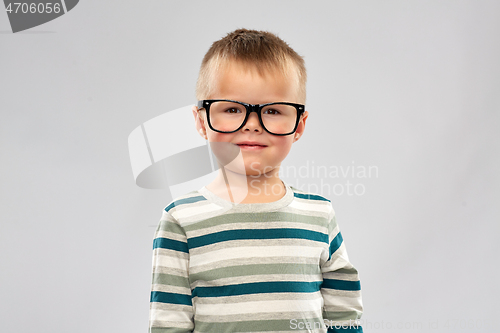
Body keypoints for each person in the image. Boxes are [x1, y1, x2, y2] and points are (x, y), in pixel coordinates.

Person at [149, 29, 363, 332]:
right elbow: (168, 324)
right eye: (232, 109)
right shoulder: (180, 220)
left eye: (273, 110)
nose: (251, 125)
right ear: (201, 122)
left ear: (299, 125)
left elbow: (344, 313)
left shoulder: (320, 216)